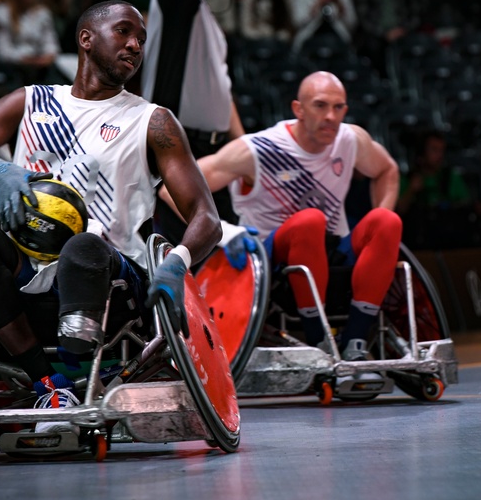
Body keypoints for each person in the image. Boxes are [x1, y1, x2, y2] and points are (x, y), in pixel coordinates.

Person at [0, 0, 222, 432]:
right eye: (123, 32)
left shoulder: (152, 122)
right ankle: (49, 384)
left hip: (112, 288)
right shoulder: (29, 103)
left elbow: (206, 216)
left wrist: (178, 262)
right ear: (86, 39)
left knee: (83, 246)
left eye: (141, 39)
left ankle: (77, 372)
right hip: (25, 286)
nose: (135, 44)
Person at [160, 70, 401, 363]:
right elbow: (170, 191)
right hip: (270, 258)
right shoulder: (257, 149)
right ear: (298, 109)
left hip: (331, 249)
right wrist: (224, 232)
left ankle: (356, 341)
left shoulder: (351, 140)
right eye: (320, 105)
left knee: (388, 222)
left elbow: (388, 171)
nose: (331, 116)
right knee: (310, 219)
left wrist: (383, 211)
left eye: (338, 108)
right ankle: (319, 340)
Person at [140, 0, 342, 245]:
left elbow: (221, 87)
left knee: (234, 258)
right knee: (198, 255)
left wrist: (245, 144)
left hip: (217, 149)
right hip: (178, 145)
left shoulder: (201, 12)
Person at [0, 0, 61, 85]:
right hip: (14, 67)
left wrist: (47, 57)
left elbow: (50, 43)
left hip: (40, 66)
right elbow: (2, 52)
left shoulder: (42, 14)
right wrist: (28, 60)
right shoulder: (1, 14)